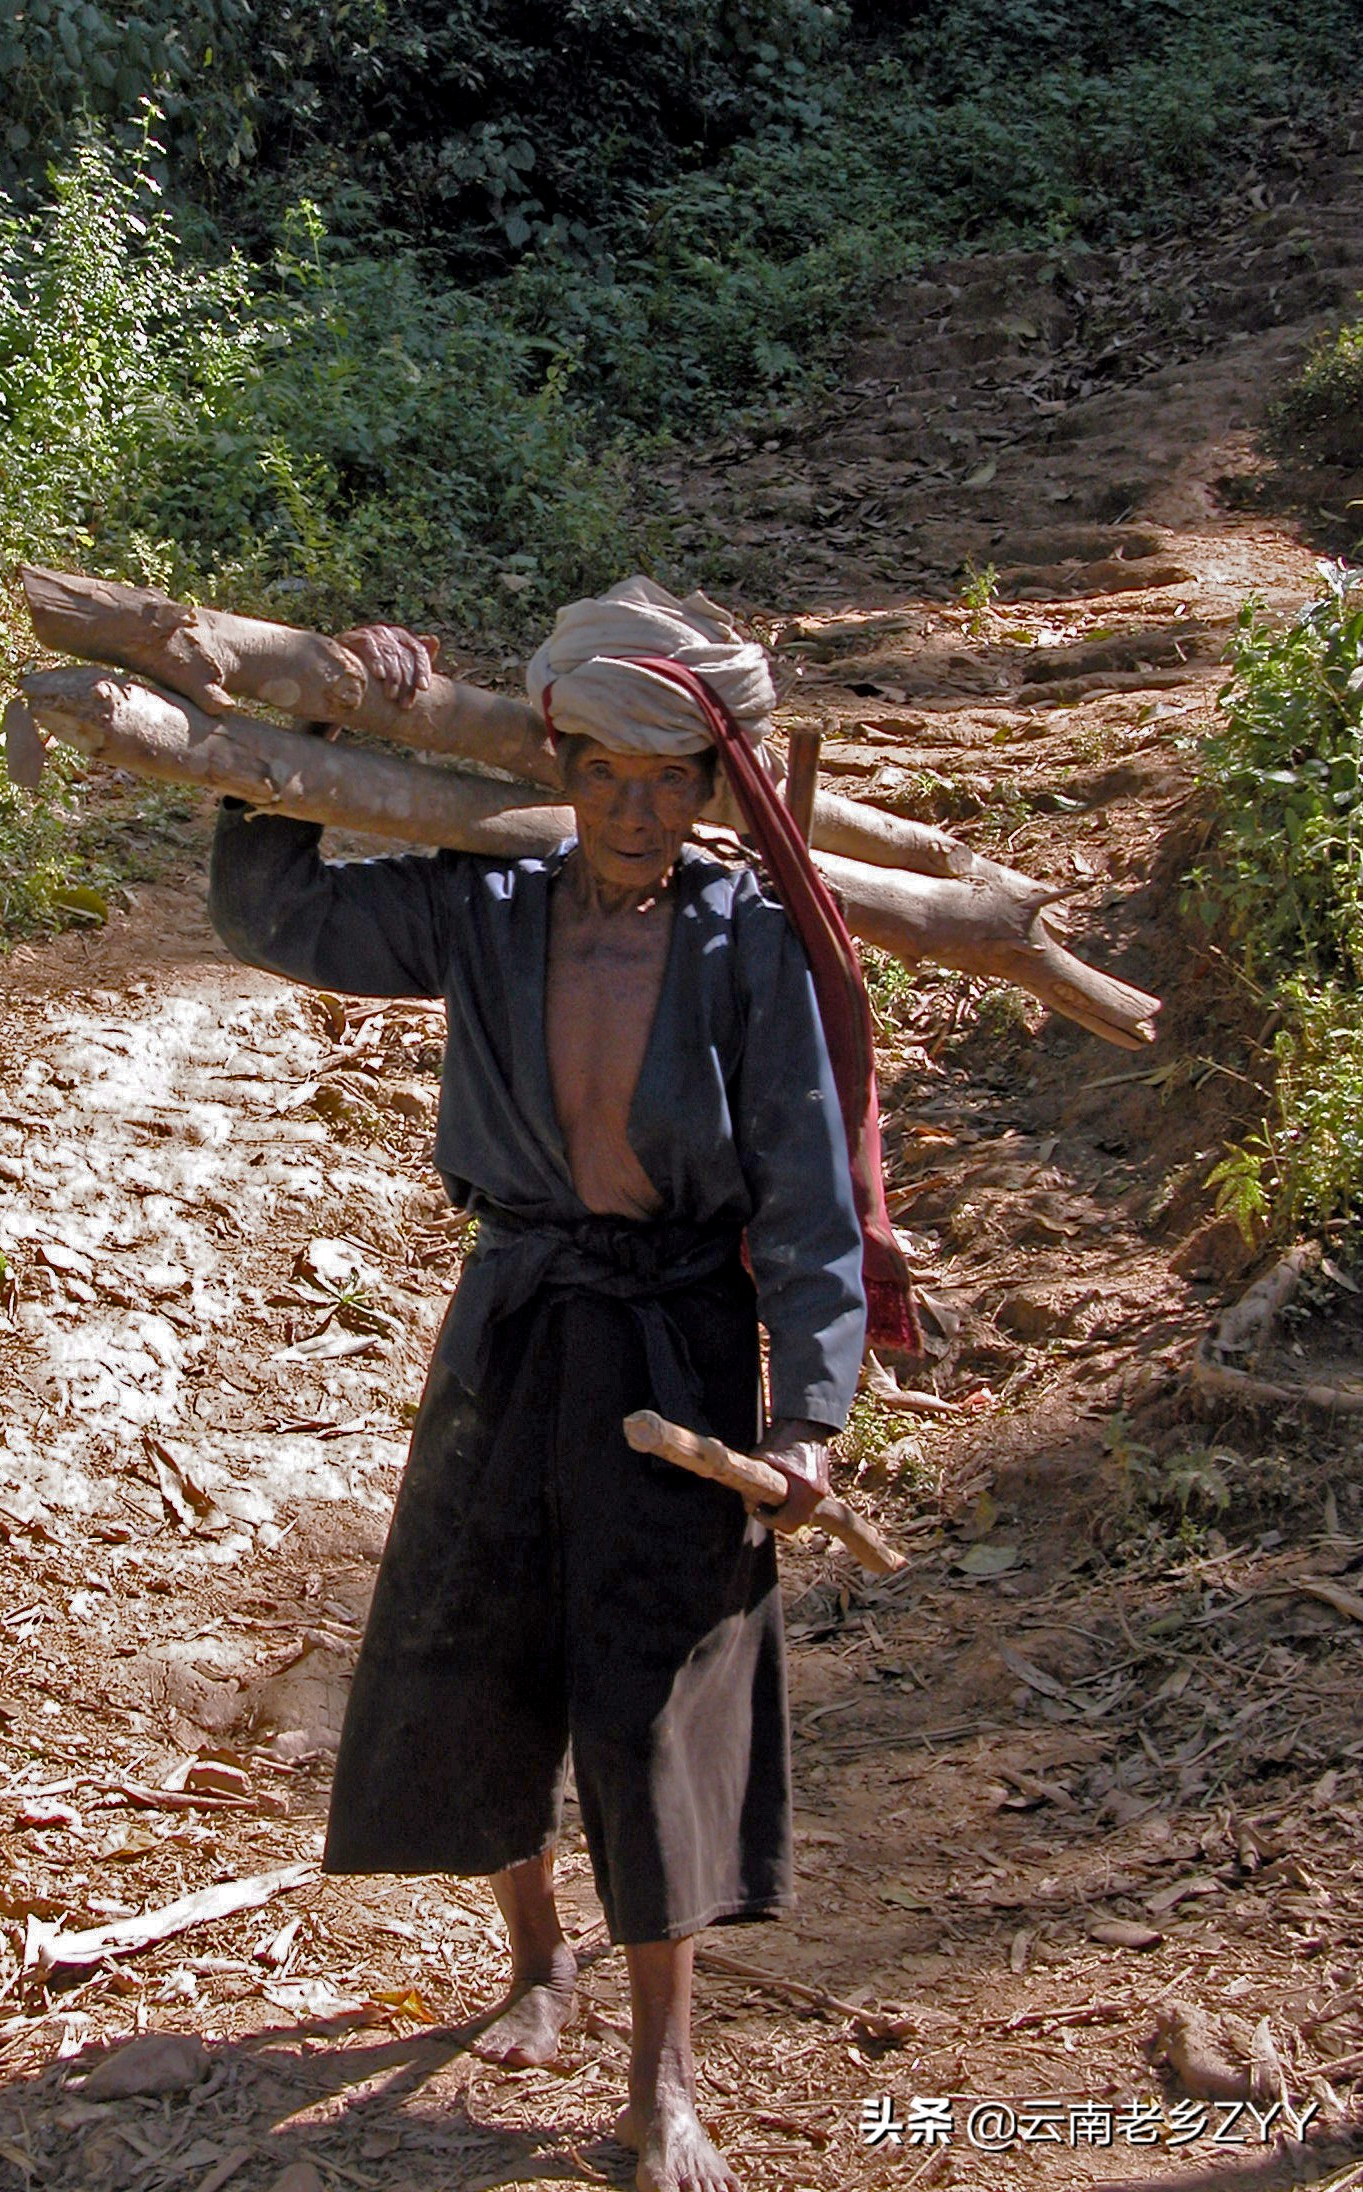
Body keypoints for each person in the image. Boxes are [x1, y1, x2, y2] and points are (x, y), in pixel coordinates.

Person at [208, 582, 888, 2192]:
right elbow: (278, 915)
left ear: (718, 788)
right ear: (564, 764)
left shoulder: (747, 946)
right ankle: (535, 1958)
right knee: (481, 1635)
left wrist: (808, 1420)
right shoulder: (489, 903)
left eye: (674, 783)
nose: (640, 815)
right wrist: (303, 723)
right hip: (518, 1315)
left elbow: (806, 1194)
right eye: (607, 775)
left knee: (656, 1692)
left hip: (680, 1343)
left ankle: (665, 2081)